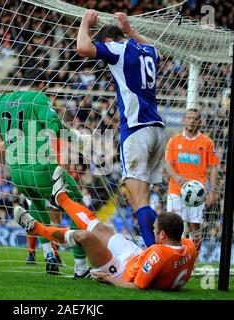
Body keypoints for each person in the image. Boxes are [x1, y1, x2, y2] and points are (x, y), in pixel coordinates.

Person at [0, 69, 91, 277]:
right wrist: (76, 138)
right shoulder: (37, 98)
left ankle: (48, 255)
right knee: (77, 203)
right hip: (41, 168)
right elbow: (54, 125)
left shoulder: (2, 100)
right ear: (40, 85)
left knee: (38, 207)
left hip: (17, 173)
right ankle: (81, 267)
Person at [14, 166, 197, 290]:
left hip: (122, 270)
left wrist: (108, 279)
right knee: (100, 228)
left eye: (155, 230)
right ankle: (61, 197)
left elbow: (137, 286)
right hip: (136, 256)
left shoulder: (161, 253)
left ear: (163, 234)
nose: (153, 232)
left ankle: (36, 228)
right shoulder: (188, 247)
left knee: (86, 237)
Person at [77, 10, 165, 247]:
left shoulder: (117, 49)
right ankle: (159, 247)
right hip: (157, 129)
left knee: (139, 201)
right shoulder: (147, 50)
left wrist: (85, 22)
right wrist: (131, 31)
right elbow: (159, 54)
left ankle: (154, 252)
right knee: (144, 199)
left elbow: (83, 48)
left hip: (136, 130)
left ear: (107, 41)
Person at [165, 108, 219, 251]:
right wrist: (176, 177)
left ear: (200, 122)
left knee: (194, 227)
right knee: (172, 225)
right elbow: (168, 164)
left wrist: (212, 191)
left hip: (197, 192)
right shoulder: (174, 141)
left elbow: (213, 167)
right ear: (183, 120)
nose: (191, 121)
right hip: (176, 190)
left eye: (195, 118)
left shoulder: (207, 142)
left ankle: (193, 260)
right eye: (189, 118)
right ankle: (172, 257)